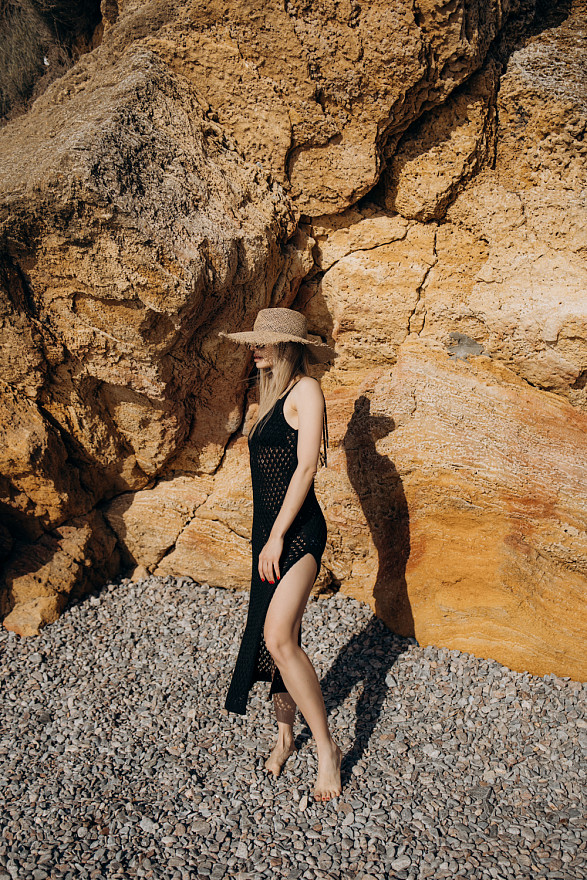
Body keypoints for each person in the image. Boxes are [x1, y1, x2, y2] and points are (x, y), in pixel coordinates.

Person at [219, 307, 342, 801]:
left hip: (299, 533)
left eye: (264, 341)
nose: (255, 347)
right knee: (280, 637)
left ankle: (327, 751)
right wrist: (265, 536)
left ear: (287, 346)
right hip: (267, 535)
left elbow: (306, 468)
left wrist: (276, 537)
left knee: (277, 638)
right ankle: (286, 734)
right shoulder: (269, 395)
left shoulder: (306, 391)